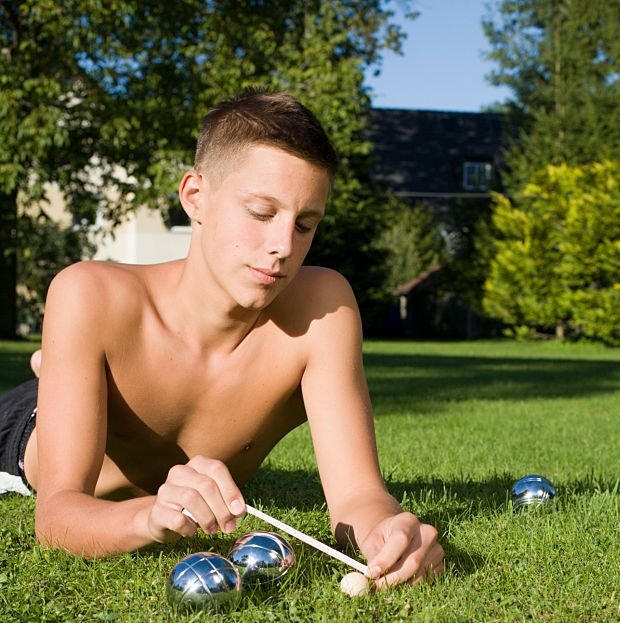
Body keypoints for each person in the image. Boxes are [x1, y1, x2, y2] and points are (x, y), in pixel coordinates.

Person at [0, 90, 443, 586]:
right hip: (21, 434)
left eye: (305, 224)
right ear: (195, 196)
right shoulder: (90, 294)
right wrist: (148, 517)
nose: (282, 247)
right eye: (260, 212)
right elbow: (57, 513)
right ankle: (59, 372)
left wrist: (387, 533)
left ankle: (62, 367)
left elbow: (359, 494)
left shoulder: (324, 309)